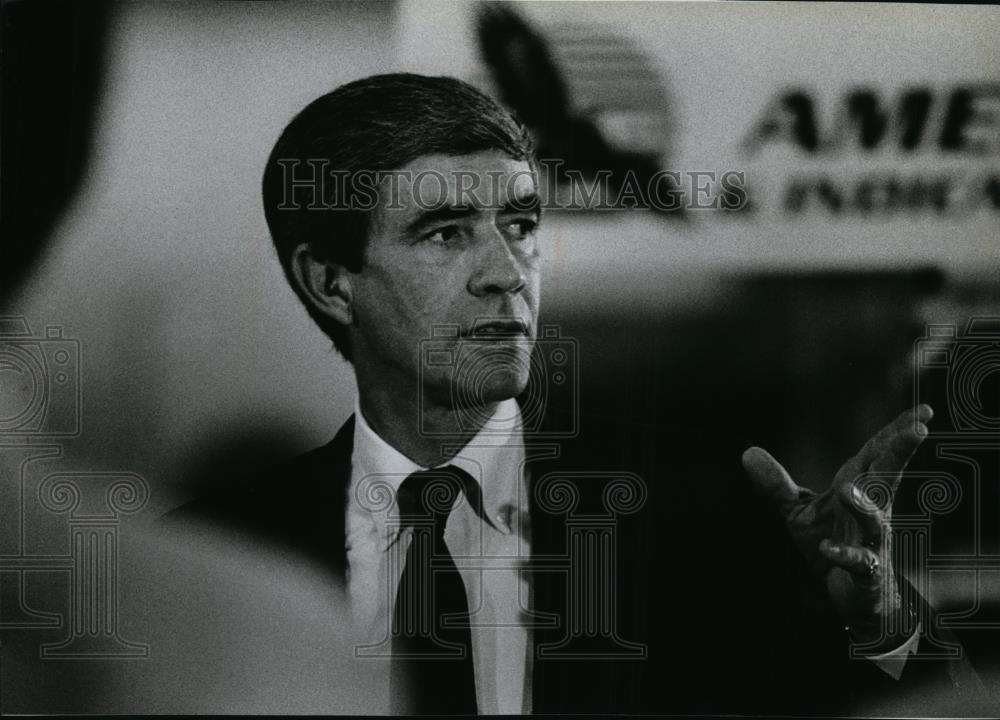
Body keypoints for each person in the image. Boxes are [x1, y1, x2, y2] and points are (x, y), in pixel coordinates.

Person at [171, 73, 985, 715]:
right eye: (446, 232)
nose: (505, 273)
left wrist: (873, 621)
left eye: (522, 225)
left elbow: (904, 707)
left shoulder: (693, 512)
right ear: (330, 282)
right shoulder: (217, 559)